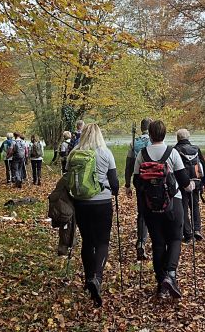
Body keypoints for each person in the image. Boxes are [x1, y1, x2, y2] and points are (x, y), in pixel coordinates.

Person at [133, 120, 194, 299]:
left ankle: (161, 283)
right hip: (173, 203)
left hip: (150, 206)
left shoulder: (142, 154)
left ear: (150, 135)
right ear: (164, 134)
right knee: (175, 238)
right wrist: (190, 185)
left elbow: (137, 182)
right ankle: (171, 274)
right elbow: (183, 181)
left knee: (158, 243)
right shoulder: (172, 153)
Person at [67, 123, 119, 307]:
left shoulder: (74, 153)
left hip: (81, 203)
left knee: (88, 241)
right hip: (102, 202)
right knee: (103, 241)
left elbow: (67, 176)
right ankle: (97, 277)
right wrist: (115, 191)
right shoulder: (106, 153)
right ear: (99, 135)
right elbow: (114, 183)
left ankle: (88, 277)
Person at [175, 129, 205, 243]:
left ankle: (188, 234)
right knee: (194, 206)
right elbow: (203, 165)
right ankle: (197, 230)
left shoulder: (175, 150)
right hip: (196, 181)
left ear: (178, 138)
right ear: (188, 137)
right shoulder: (196, 148)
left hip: (182, 183)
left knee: (183, 207)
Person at [125, 118, 151, 260]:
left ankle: (141, 241)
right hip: (155, 180)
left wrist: (127, 184)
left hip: (139, 180)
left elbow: (129, 164)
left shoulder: (134, 142)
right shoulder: (155, 141)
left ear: (141, 128)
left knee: (142, 212)